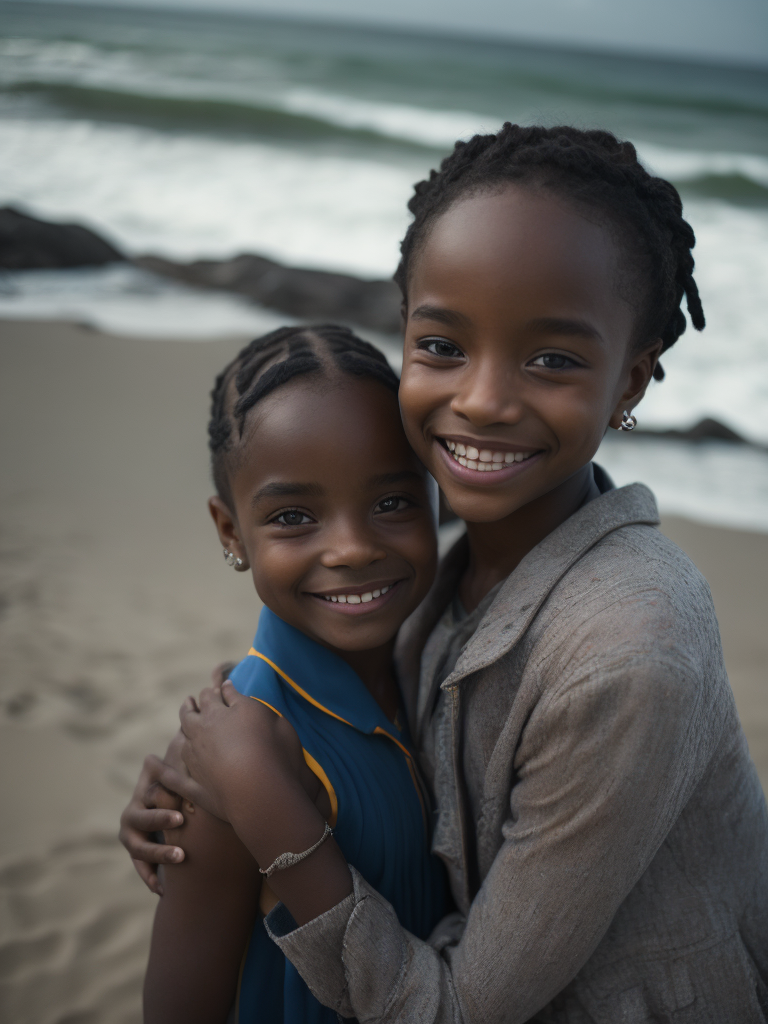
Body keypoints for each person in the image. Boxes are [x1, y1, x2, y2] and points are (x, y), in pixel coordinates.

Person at [122, 125, 768, 1021]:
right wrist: (197, 776)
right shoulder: (446, 575)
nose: (484, 399)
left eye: (552, 360)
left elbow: (455, 1012)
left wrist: (271, 817)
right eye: (442, 346)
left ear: (630, 383)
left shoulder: (628, 650)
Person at [139, 323, 447, 1023]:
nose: (352, 549)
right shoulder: (231, 761)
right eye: (295, 516)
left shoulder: (437, 664)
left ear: (438, 494)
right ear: (230, 532)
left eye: (393, 502)